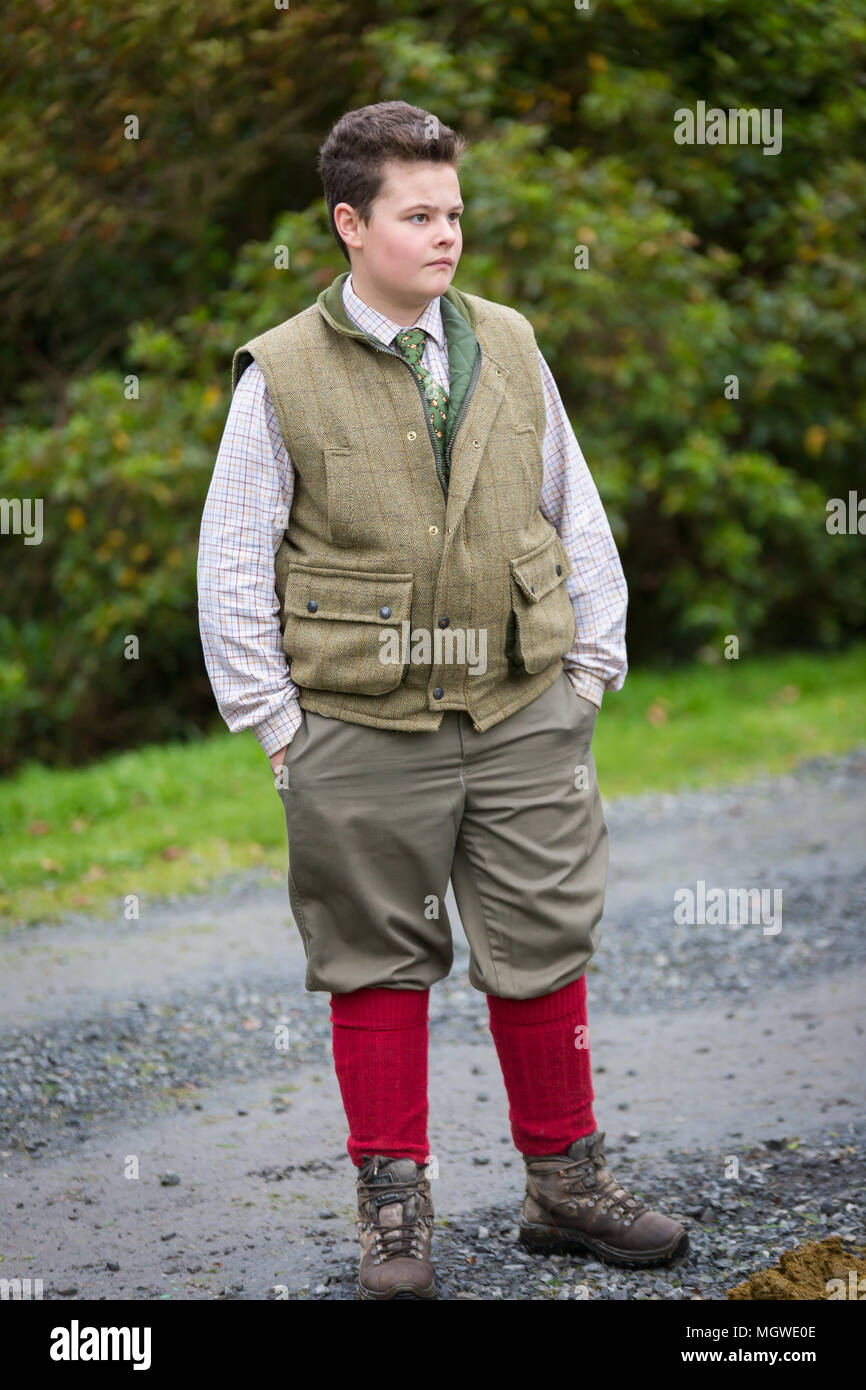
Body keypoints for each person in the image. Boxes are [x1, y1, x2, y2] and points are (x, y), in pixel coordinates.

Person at [197, 99, 688, 1301]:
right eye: (418, 214)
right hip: (355, 726)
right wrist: (279, 731)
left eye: (453, 211)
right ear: (350, 225)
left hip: (527, 706)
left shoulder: (510, 340)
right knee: (373, 960)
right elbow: (229, 562)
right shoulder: (281, 373)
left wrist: (588, 672)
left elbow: (571, 507)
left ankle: (563, 1185)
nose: (445, 234)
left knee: (542, 942)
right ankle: (393, 1210)